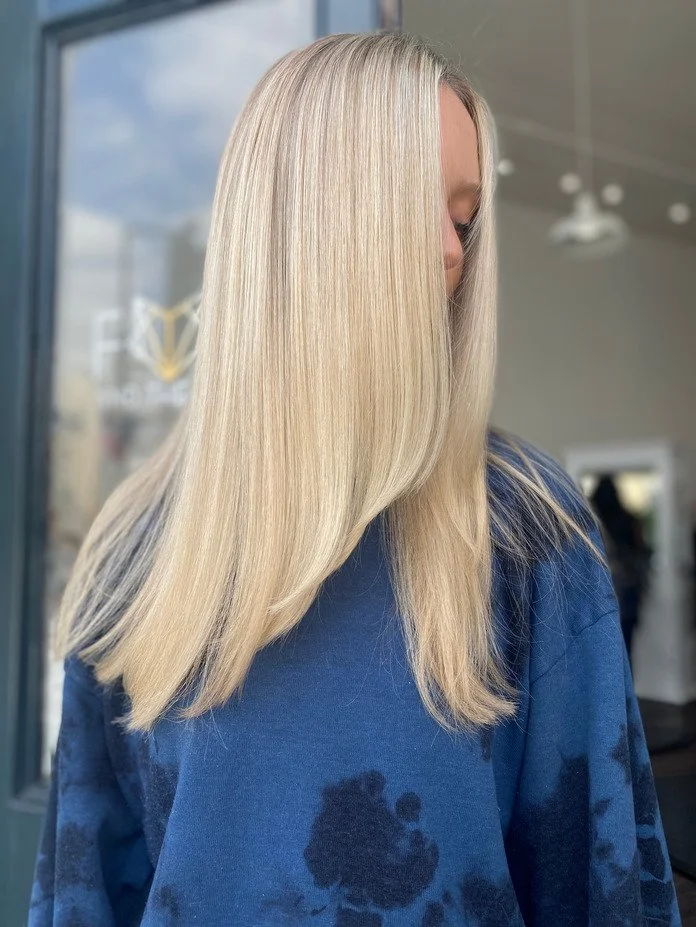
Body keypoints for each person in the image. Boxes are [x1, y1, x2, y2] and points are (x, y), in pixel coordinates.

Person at [28, 31, 680, 927]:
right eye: (422, 203)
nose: (458, 252)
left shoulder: (523, 529)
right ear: (298, 221)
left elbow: (602, 885)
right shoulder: (135, 548)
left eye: (465, 216)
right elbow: (82, 892)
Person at [590, 475, 652, 671]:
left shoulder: (591, 523)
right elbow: (642, 555)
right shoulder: (629, 521)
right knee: (625, 650)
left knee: (602, 653)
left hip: (600, 596)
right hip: (626, 593)